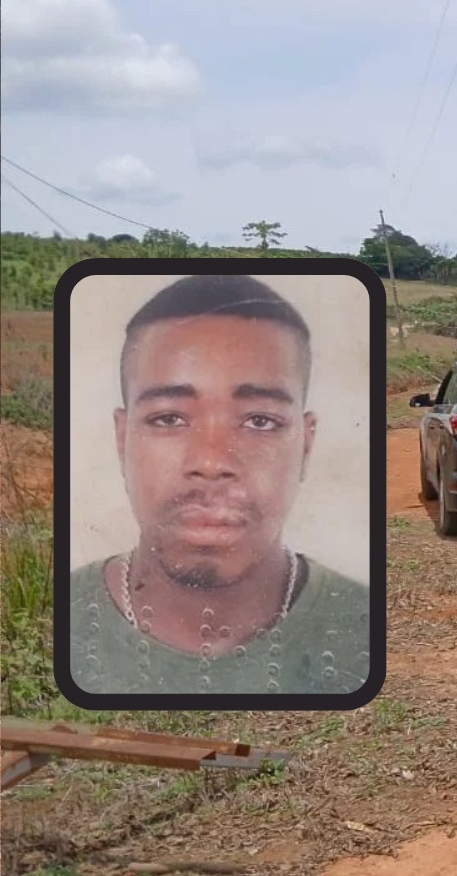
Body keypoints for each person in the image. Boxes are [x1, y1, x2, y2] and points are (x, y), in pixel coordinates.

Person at [67, 274, 370, 695]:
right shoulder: (53, 622)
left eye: (259, 421)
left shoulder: (365, 626)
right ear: (122, 439)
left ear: (305, 444)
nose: (211, 462)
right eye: (169, 418)